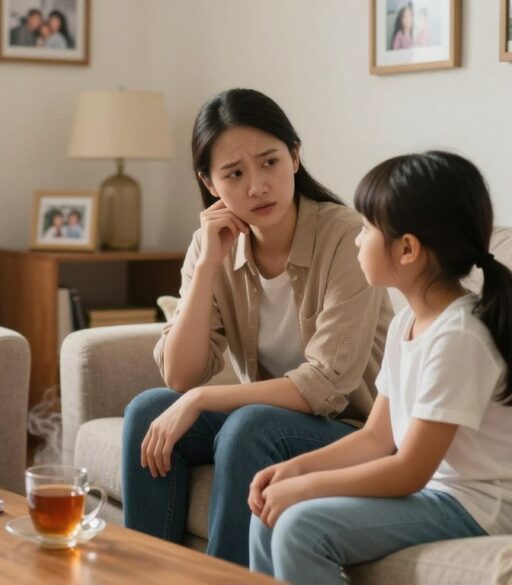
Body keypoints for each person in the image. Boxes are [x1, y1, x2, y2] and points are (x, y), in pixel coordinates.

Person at [247, 151, 512, 584]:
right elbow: (376, 437)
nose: (357, 239)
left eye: (368, 228)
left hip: (485, 504)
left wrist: (308, 487)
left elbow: (409, 470)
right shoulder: (407, 322)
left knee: (300, 525)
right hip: (441, 493)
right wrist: (294, 471)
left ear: (407, 249)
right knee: (271, 514)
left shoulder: (459, 337)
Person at [120, 88, 392, 566]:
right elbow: (180, 376)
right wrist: (207, 267)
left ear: (295, 155)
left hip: (353, 429)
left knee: (250, 426)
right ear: (209, 183)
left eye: (270, 162)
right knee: (147, 410)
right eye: (235, 174)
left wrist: (201, 399)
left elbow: (325, 388)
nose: (258, 186)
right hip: (271, 419)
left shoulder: (347, 238)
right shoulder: (210, 245)